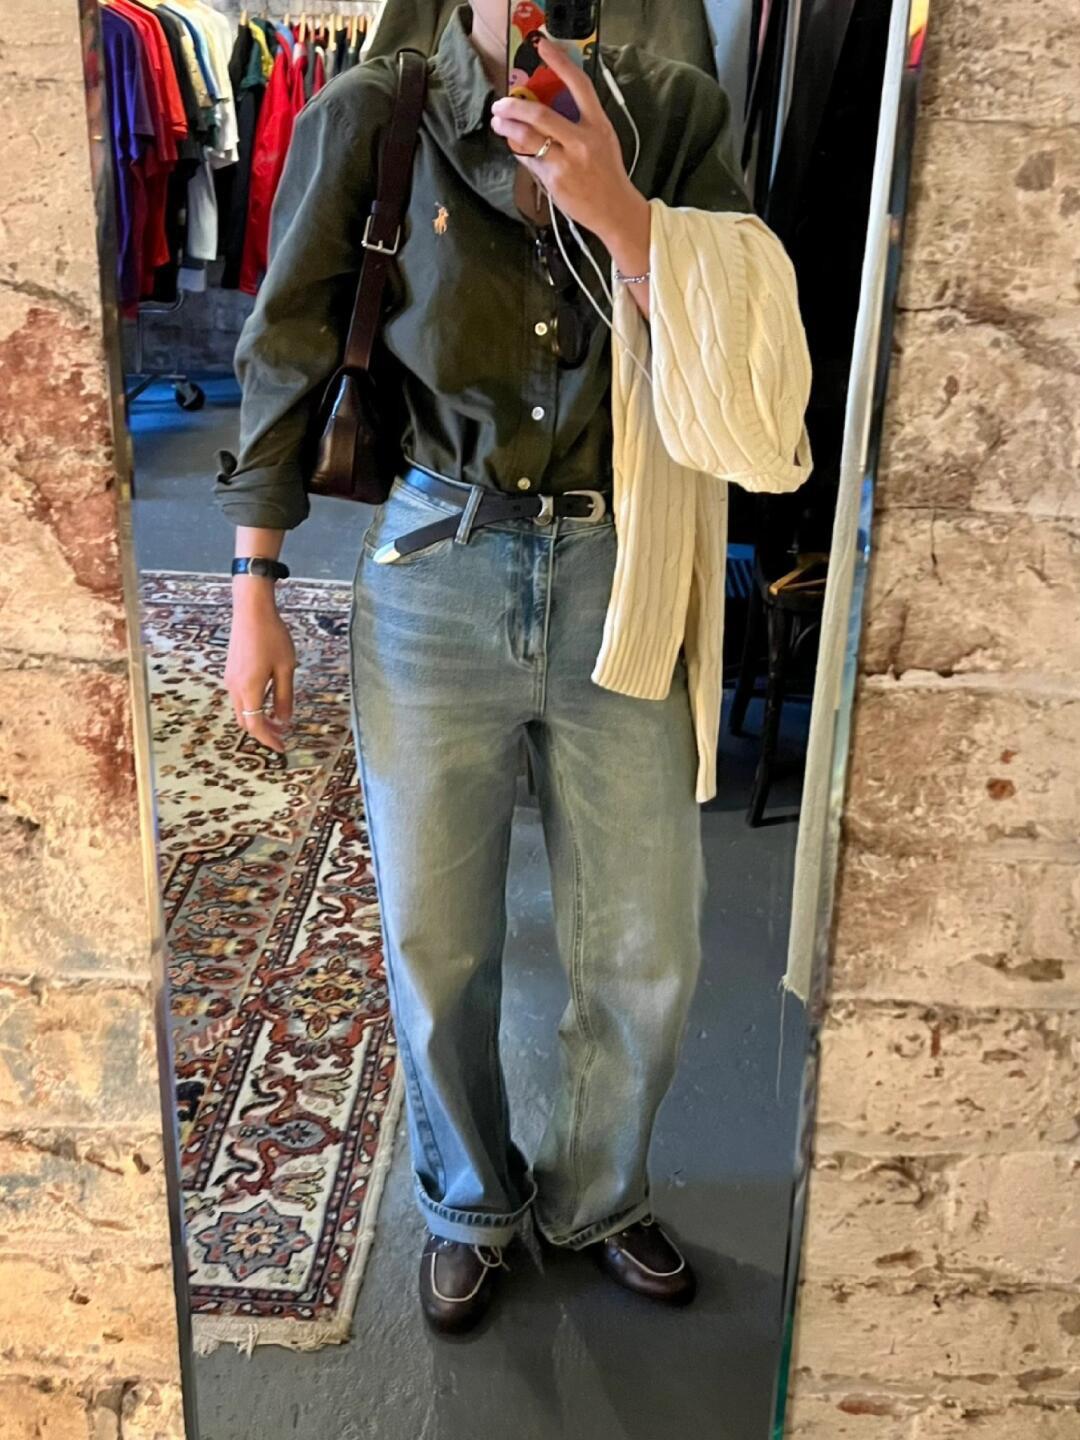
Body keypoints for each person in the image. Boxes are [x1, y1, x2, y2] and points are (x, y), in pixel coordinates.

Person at [215, 0, 812, 1335]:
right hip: (435, 567)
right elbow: (287, 345)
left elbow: (755, 343)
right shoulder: (373, 116)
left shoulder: (674, 113)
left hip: (626, 568)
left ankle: (598, 1195)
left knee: (647, 942)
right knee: (438, 941)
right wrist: (256, 587)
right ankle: (470, 1202)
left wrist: (626, 215)